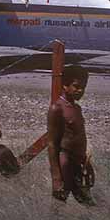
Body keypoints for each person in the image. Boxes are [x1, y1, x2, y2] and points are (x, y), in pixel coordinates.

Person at [47, 64, 95, 205]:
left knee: (82, 199)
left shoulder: (76, 108)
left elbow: (79, 136)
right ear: (65, 85)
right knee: (62, 197)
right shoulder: (57, 109)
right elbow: (52, 144)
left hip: (78, 160)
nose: (80, 90)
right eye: (76, 86)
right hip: (66, 161)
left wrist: (85, 161)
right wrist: (56, 176)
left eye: (83, 87)